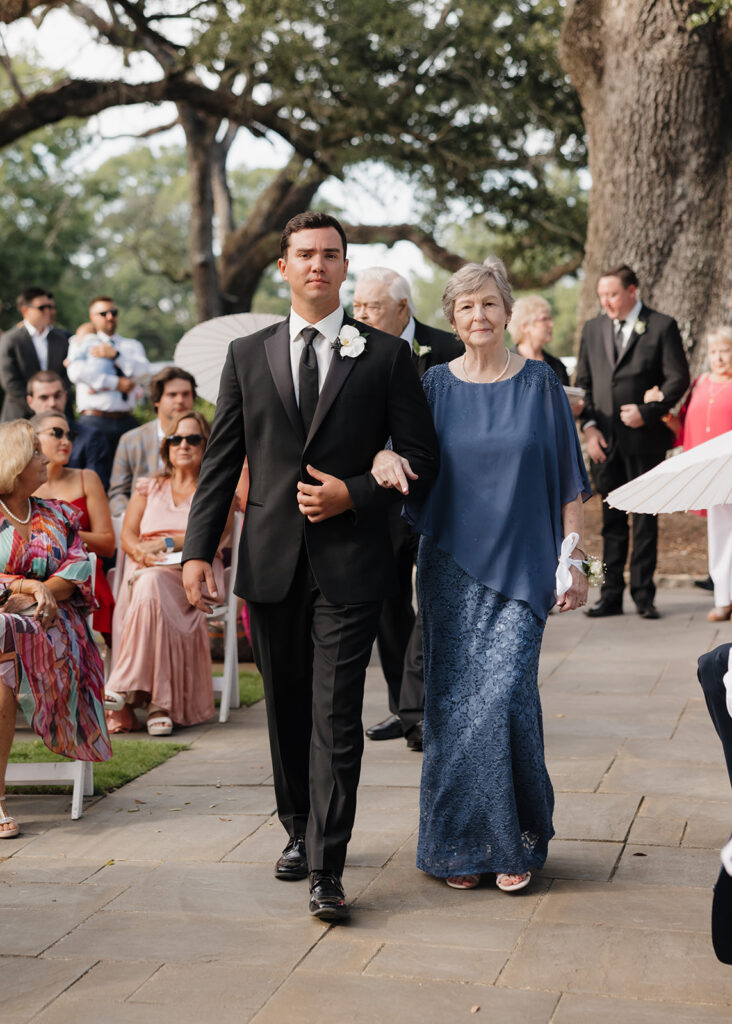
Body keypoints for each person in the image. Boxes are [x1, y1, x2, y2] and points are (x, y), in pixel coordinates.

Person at [182, 211, 439, 922]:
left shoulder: (384, 356)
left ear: (344, 266)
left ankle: (328, 865)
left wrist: (350, 493)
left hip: (353, 565)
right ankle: (296, 829)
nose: (318, 265)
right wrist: (198, 550)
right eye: (305, 255)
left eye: (330, 255)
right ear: (285, 268)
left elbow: (422, 458)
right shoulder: (247, 356)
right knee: (288, 711)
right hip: (269, 565)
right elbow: (221, 461)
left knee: (336, 715)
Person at [375, 258, 590, 892]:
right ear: (452, 316)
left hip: (524, 569)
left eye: (490, 304)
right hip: (449, 568)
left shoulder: (541, 385)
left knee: (502, 701)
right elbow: (396, 448)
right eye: (467, 306)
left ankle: (513, 838)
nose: (479, 316)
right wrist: (385, 455)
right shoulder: (433, 385)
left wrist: (574, 561)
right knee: (452, 706)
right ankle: (457, 847)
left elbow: (570, 484)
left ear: (507, 311)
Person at [353, 266, 463, 751]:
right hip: (381, 499)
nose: (358, 316)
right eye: (355, 306)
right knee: (388, 604)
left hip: (440, 494)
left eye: (369, 307)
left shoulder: (447, 348)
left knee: (432, 601)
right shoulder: (349, 350)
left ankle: (425, 708)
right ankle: (404, 709)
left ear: (401, 308)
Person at [0, 420, 111, 838]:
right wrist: (29, 585)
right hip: (8, 633)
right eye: (35, 452)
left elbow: (80, 570)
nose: (46, 457)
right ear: (14, 463)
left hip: (54, 632)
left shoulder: (60, 515)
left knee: (3, 643)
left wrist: (41, 594)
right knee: (3, 638)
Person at [575, 264, 689, 619]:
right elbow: (584, 384)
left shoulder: (661, 325)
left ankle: (644, 595)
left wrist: (648, 410)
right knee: (608, 525)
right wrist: (590, 428)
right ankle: (608, 595)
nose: (606, 302)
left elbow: (677, 379)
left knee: (644, 522)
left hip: (645, 441)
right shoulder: (593, 329)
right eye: (602, 296)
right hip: (604, 445)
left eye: (612, 294)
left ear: (631, 291)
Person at [106, 411, 227, 737]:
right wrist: (141, 551)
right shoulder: (148, 487)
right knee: (149, 583)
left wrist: (168, 541)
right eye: (175, 438)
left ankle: (121, 683)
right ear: (166, 446)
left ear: (207, 444)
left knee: (151, 585)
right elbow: (128, 535)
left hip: (192, 572)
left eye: (192, 439)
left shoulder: (217, 487)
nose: (182, 445)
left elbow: (217, 531)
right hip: (146, 567)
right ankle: (159, 703)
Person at [31, 410, 115, 638]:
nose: (66, 441)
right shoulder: (21, 482)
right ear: (32, 438)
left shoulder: (87, 478)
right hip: (31, 569)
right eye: (57, 433)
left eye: (70, 435)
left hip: (81, 567)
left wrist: (61, 531)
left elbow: (107, 543)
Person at [66, 296, 151, 476]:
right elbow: (76, 373)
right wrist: (116, 383)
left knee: (132, 476)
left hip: (126, 420)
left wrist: (116, 355)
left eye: (113, 312)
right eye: (103, 313)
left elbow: (144, 373)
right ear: (92, 317)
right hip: (94, 421)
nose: (110, 317)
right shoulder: (80, 341)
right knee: (94, 477)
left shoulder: (131, 346)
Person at [108, 367, 197, 517]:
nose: (180, 400)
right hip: (142, 522)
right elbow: (117, 493)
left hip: (190, 521)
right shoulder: (131, 440)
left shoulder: (205, 439)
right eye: (172, 395)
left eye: (186, 394)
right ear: (157, 400)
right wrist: (130, 520)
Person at [26, 371, 111, 488]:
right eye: (44, 397)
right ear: (30, 401)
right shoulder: (17, 439)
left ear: (65, 397)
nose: (52, 403)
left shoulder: (91, 437)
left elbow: (99, 487)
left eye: (57, 396)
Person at [0, 288, 73, 421]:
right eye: (42, 307)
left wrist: (56, 402)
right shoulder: (10, 339)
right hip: (20, 416)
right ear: (25, 310)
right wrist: (38, 407)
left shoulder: (64, 337)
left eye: (51, 307)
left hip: (60, 414)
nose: (49, 311)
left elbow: (69, 375)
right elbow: (10, 381)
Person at [510, 295, 569, 385]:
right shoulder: (506, 364)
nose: (551, 324)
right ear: (525, 326)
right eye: (544, 319)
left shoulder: (557, 366)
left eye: (550, 318)